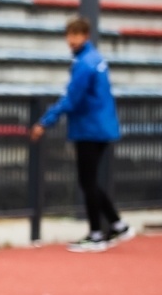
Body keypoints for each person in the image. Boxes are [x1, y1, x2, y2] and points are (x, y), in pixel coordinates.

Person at [30, 18, 132, 253]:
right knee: (90, 181)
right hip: (101, 126)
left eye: (75, 35)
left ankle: (97, 232)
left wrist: (45, 122)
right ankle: (116, 223)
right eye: (69, 35)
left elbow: (72, 99)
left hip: (90, 128)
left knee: (87, 181)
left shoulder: (85, 63)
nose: (70, 40)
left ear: (85, 35)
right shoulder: (95, 59)